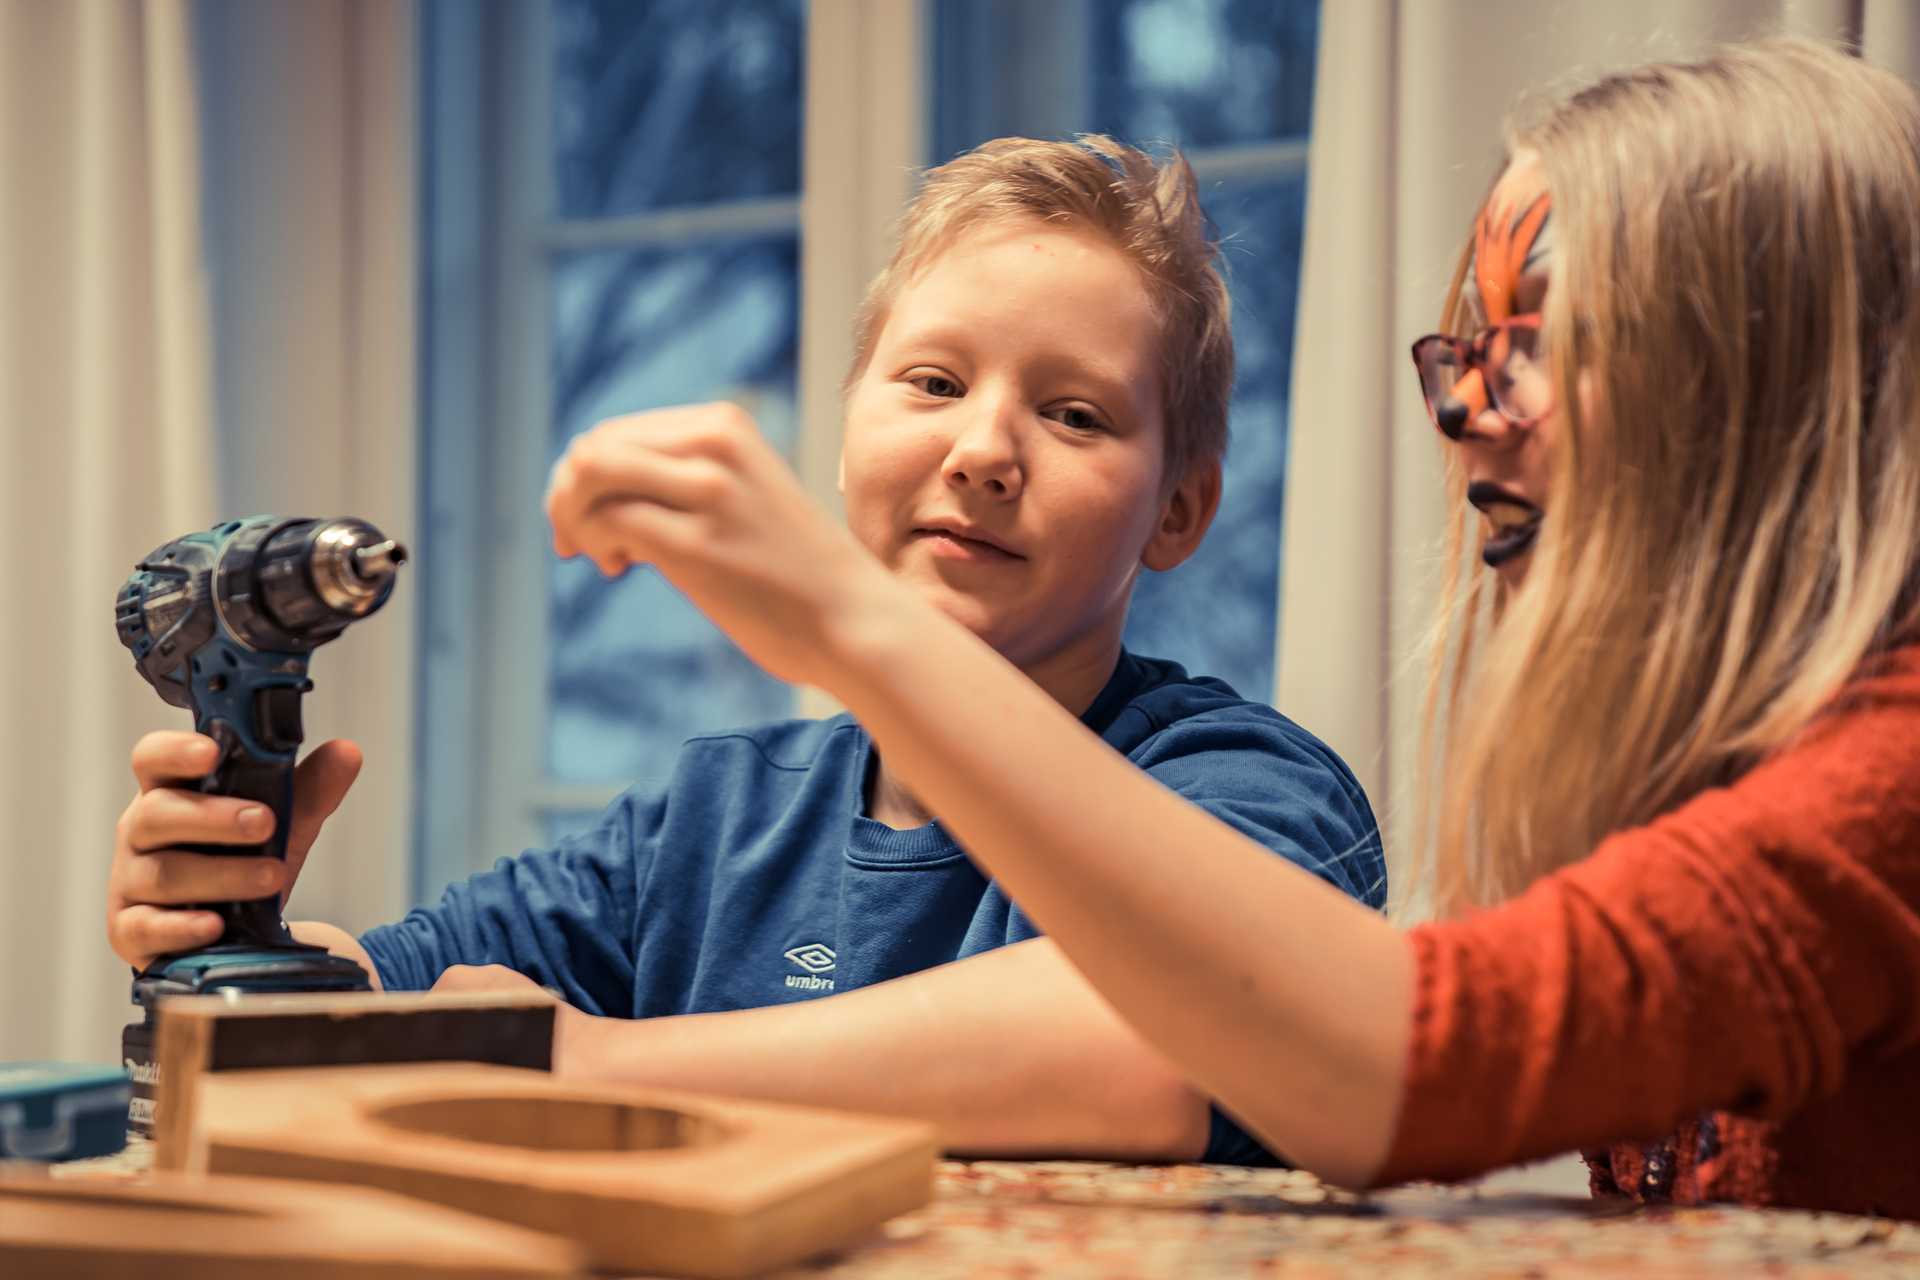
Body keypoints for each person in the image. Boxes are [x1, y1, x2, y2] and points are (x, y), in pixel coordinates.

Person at [523, 39, 1920, 1217]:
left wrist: (850, 626)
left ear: (1779, 385)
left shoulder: (1893, 773)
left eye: (1543, 347)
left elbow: (1393, 1062)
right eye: (1467, 351)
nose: (1465, 417)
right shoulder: (711, 807)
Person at [107, 137, 1384, 1164]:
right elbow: (394, 997)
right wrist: (234, 938)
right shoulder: (708, 820)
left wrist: (589, 1061)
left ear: (1179, 509)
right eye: (934, 383)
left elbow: (1167, 1043)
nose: (984, 451)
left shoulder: (1245, 786)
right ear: (845, 436)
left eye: (1076, 413)